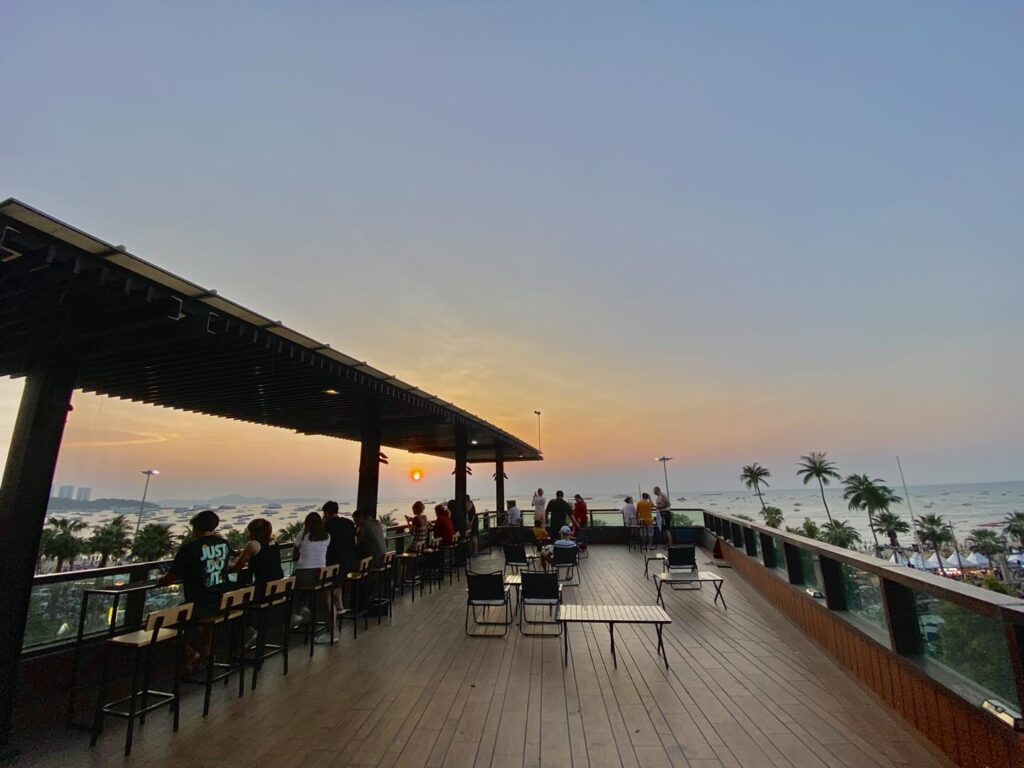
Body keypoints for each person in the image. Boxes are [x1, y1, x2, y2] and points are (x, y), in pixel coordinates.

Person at [157, 509, 230, 671]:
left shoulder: (189, 549)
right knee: (207, 623)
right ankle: (207, 654)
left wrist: (162, 580)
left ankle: (191, 654)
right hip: (221, 600)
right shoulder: (223, 544)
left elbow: (170, 577)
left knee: (164, 622)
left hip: (198, 604)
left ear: (195, 527)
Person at [229, 518, 283, 598]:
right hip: (279, 589)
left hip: (262, 591)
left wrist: (228, 564)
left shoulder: (253, 544)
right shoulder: (274, 543)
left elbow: (237, 568)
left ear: (254, 532)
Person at [323, 500, 357, 611]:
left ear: (326, 513)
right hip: (351, 562)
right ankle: (340, 605)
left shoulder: (326, 526)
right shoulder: (349, 523)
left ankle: (333, 610)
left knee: (330, 580)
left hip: (335, 565)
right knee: (338, 578)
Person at [293, 512, 330, 589]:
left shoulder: (302, 534)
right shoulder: (327, 536)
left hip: (304, 573)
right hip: (321, 574)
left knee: (288, 585)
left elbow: (295, 553)